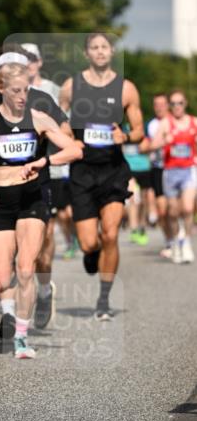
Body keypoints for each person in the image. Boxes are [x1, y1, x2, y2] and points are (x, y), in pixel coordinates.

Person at [0, 63, 81, 359]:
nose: (22, 96)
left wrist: (44, 163)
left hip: (32, 200)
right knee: (0, 279)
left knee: (26, 268)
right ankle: (10, 312)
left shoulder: (38, 119)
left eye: (26, 89)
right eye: (16, 90)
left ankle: (22, 338)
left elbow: (75, 150)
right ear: (1, 90)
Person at [0, 45, 73, 333]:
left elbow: (68, 135)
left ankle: (45, 288)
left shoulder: (42, 99)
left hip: (39, 182)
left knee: (39, 254)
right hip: (2, 190)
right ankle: (9, 313)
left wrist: (45, 155)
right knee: (5, 253)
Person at [60, 32, 144, 321]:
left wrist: (126, 135)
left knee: (110, 233)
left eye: (104, 47)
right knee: (89, 243)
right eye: (94, 47)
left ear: (111, 52)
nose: (99, 52)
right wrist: (69, 139)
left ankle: (104, 300)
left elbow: (139, 130)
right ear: (87, 54)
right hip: (82, 171)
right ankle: (90, 253)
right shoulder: (72, 86)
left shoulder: (126, 89)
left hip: (113, 171)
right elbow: (59, 123)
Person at [146, 89, 196, 264]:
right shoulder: (166, 124)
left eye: (180, 103)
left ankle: (187, 243)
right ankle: (175, 242)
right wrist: (163, 141)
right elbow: (152, 145)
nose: (177, 107)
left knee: (188, 208)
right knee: (173, 212)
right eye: (173, 103)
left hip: (188, 170)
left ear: (185, 104)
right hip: (170, 172)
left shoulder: (193, 122)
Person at [144, 92, 172, 258]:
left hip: (177, 168)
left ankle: (179, 235)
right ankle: (169, 240)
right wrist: (158, 144)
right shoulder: (151, 125)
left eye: (162, 104)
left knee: (177, 207)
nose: (159, 107)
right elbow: (144, 147)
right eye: (156, 105)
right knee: (162, 210)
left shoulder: (176, 121)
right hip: (158, 168)